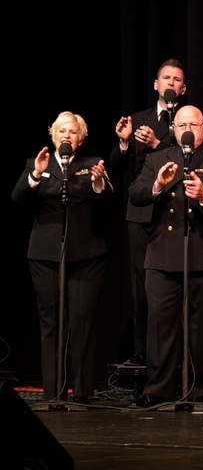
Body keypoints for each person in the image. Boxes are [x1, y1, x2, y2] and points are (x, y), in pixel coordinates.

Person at [129, 105, 203, 406]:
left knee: (199, 328)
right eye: (181, 125)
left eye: (193, 124)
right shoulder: (156, 159)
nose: (187, 129)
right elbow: (135, 193)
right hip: (163, 254)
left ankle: (195, 389)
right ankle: (159, 389)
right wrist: (157, 185)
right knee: (161, 327)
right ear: (174, 129)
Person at [12, 112, 110, 403]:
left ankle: (81, 393)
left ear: (81, 138)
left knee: (82, 323)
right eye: (62, 131)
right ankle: (53, 392)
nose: (67, 135)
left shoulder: (92, 165)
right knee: (51, 323)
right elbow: (17, 198)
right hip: (45, 255)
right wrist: (36, 176)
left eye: (73, 131)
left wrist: (97, 184)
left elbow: (104, 199)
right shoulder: (37, 164)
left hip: (87, 256)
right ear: (53, 135)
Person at [109, 59, 186, 365]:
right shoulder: (138, 119)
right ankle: (143, 351)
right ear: (156, 84)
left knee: (174, 283)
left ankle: (176, 354)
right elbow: (116, 168)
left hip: (177, 213)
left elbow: (186, 160)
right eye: (166, 77)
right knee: (141, 283)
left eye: (177, 79)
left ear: (183, 88)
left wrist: (157, 144)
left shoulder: (187, 120)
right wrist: (124, 142)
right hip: (141, 214)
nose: (171, 82)